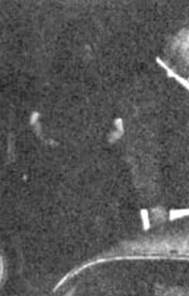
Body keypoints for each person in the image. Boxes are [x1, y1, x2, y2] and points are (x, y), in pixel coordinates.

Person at [28, 16, 137, 267]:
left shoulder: (52, 83)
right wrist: (100, 146)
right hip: (94, 167)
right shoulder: (104, 83)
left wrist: (52, 143)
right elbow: (120, 129)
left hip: (66, 168)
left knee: (69, 232)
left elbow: (34, 122)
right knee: (96, 233)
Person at [118, 18, 189, 231]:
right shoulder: (149, 86)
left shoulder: (186, 82)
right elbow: (143, 153)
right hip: (176, 211)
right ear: (171, 44)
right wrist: (155, 208)